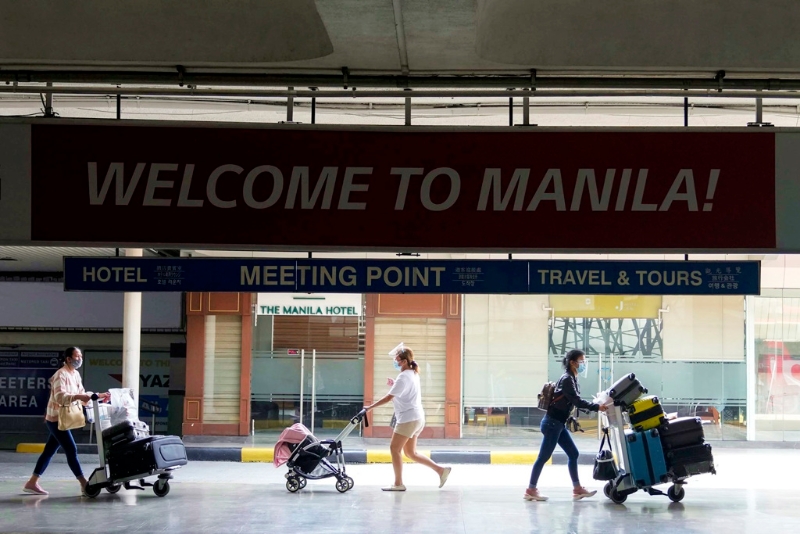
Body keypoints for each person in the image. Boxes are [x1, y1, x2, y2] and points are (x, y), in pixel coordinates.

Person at [22, 347, 110, 496]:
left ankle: (32, 482)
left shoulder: (75, 374)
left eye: (81, 356)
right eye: (77, 356)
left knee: (49, 451)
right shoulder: (60, 375)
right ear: (68, 359)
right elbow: (60, 397)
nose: (80, 359)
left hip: (62, 418)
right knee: (71, 449)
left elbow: (82, 394)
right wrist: (78, 397)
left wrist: (98, 395)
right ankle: (84, 484)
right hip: (56, 418)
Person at [363, 345, 451, 491]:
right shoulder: (413, 373)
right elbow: (403, 392)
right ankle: (441, 470)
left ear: (404, 362)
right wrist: (394, 384)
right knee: (410, 453)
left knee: (394, 449)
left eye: (396, 360)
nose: (395, 362)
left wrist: (369, 408)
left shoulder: (403, 377)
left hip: (408, 419)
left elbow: (389, 397)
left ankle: (398, 484)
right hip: (417, 418)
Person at [524, 349, 607, 502]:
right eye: (581, 361)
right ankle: (530, 490)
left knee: (573, 454)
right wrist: (597, 407)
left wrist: (594, 405)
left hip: (558, 424)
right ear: (572, 362)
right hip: (552, 424)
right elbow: (576, 401)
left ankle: (577, 489)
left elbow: (574, 402)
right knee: (543, 457)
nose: (583, 364)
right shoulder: (567, 379)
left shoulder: (573, 378)